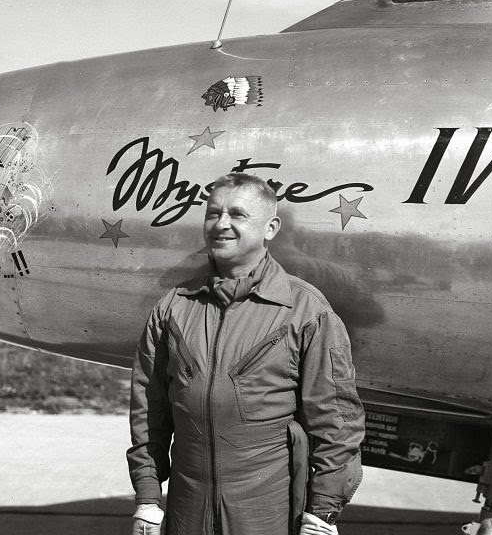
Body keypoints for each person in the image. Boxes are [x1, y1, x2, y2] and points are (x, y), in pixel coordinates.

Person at [127, 173, 365, 535]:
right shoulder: (172, 308)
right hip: (186, 512)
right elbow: (149, 409)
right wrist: (147, 498)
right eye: (213, 213)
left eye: (237, 214)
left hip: (264, 515)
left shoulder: (305, 311)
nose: (221, 224)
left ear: (270, 227)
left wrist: (322, 513)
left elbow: (336, 422)